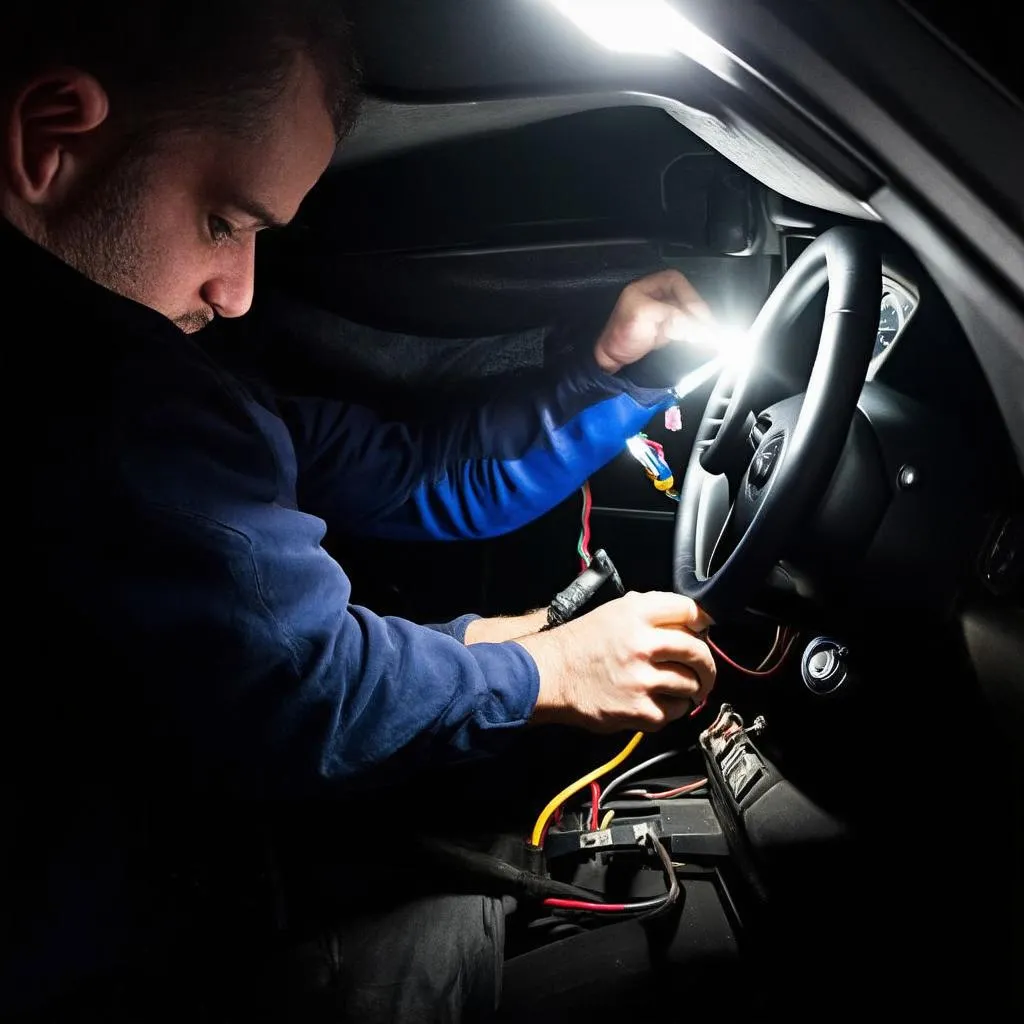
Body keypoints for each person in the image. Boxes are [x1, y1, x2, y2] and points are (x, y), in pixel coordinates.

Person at [2, 2, 717, 1020]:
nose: (238, 290)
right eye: (224, 220)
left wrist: (604, 376)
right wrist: (541, 669)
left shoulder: (178, 378)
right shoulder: (91, 392)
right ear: (50, 136)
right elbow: (300, 690)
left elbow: (416, 474)